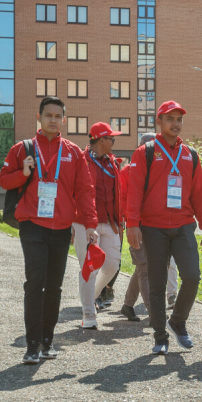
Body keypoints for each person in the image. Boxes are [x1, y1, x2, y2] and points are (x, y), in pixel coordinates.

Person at [0, 96, 97, 365]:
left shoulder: (74, 152)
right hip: (32, 225)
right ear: (39, 118)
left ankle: (48, 342)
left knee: (54, 287)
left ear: (63, 120)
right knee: (35, 283)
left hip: (62, 228)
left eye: (58, 116)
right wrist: (24, 173)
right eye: (48, 115)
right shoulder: (23, 149)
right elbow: (4, 180)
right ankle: (32, 345)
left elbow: (85, 191)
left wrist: (90, 224)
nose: (53, 120)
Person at [125, 101, 202, 354]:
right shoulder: (145, 153)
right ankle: (160, 336)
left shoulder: (191, 155)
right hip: (153, 228)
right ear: (159, 122)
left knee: (192, 276)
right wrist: (133, 223)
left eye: (179, 119)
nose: (175, 124)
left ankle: (177, 322)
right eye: (170, 119)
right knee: (157, 284)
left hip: (183, 225)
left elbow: (198, 194)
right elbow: (134, 192)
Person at [119, 134, 178, 323]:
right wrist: (131, 223)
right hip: (138, 225)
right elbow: (124, 199)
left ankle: (128, 306)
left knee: (143, 268)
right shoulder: (128, 170)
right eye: (147, 148)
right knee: (144, 268)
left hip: (157, 226)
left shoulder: (164, 168)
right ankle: (154, 313)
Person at [73, 122, 126, 329]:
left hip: (110, 223)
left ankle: (89, 297)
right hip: (85, 224)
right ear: (101, 140)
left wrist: (120, 222)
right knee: (89, 268)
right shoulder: (81, 161)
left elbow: (117, 194)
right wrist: (83, 224)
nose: (114, 142)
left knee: (112, 265)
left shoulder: (111, 161)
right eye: (111, 138)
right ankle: (88, 313)